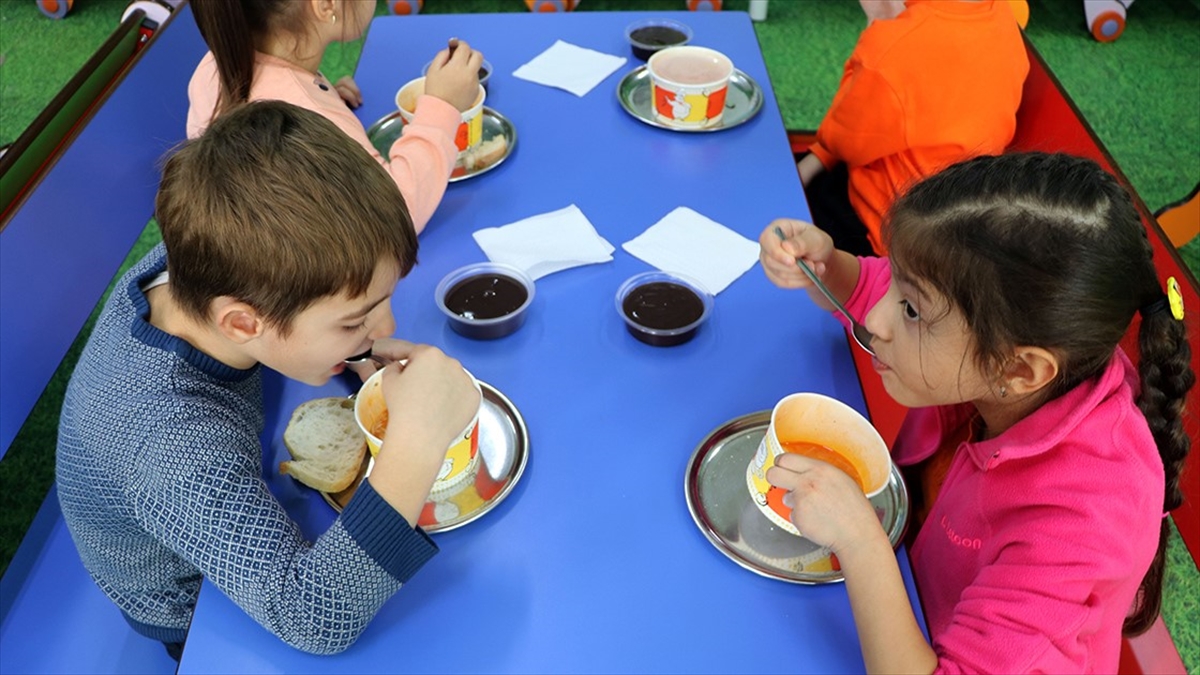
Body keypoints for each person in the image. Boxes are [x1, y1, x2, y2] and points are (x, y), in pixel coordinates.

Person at [56, 101, 480, 658]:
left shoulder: (203, 261)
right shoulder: (169, 446)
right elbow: (311, 620)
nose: (388, 329)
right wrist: (418, 443)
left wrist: (349, 347)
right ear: (241, 324)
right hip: (194, 607)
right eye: (354, 320)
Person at [758, 152, 1193, 673]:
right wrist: (833, 270)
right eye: (898, 286)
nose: (875, 317)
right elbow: (923, 299)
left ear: (1020, 369)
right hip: (913, 589)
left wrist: (859, 540)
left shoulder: (1080, 525)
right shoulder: (1037, 362)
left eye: (910, 309)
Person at [187, 0, 483, 234]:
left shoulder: (217, 63)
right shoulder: (304, 118)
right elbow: (397, 216)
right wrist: (442, 106)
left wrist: (326, 96)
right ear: (326, 4)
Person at [799, 0, 1028, 257]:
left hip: (884, 237)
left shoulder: (894, 47)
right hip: (956, 230)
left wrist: (878, 24)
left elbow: (842, 142)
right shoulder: (1003, 14)